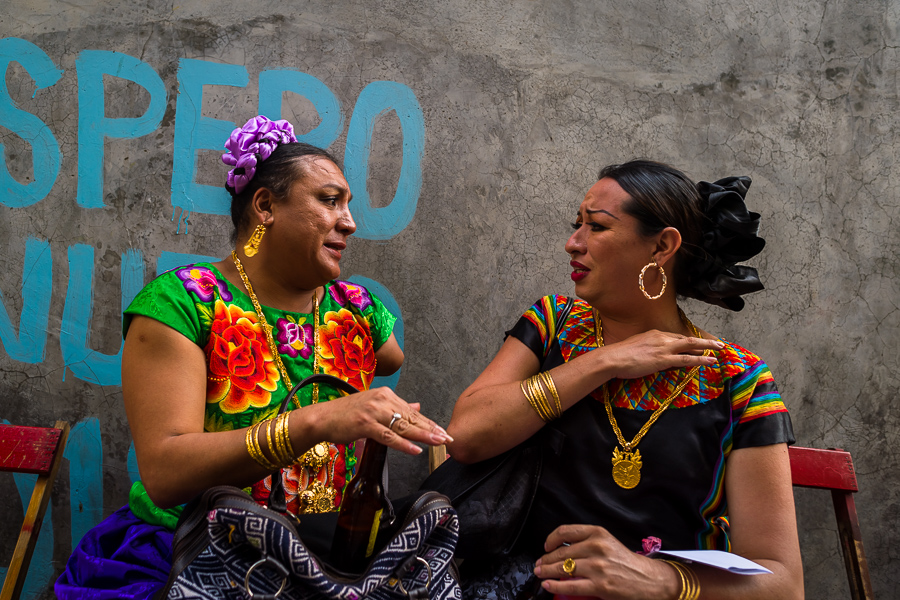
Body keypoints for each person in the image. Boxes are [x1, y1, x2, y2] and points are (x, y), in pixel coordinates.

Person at [55, 115, 452, 599]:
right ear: (265, 205)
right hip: (202, 553)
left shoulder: (354, 307)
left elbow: (389, 358)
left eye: (347, 205)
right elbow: (164, 473)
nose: (349, 222)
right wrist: (318, 421)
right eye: (329, 201)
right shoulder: (182, 306)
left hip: (328, 560)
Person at [446, 160, 803, 600]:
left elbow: (783, 583)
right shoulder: (553, 323)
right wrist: (604, 361)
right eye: (577, 225)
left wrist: (660, 580)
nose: (572, 244)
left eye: (596, 227)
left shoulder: (738, 380)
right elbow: (465, 436)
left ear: (661, 247)